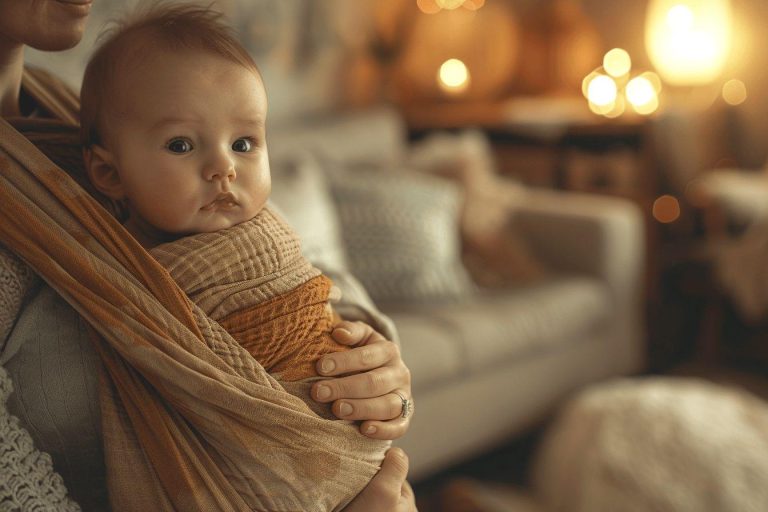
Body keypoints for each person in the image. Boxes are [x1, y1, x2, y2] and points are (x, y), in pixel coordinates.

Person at [0, 1, 415, 510]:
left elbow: (288, 268)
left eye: (244, 143)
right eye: (179, 145)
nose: (224, 168)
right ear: (105, 170)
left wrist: (367, 354)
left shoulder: (58, 104)